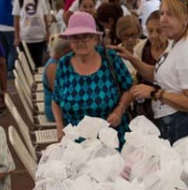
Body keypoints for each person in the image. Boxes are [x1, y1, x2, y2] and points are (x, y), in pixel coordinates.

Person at [118, 0, 188, 143]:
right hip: (170, 122)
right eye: (162, 13)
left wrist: (155, 93)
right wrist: (132, 59)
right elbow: (158, 74)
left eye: (170, 15)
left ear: (186, 18)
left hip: (179, 125)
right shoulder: (176, 42)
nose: (163, 20)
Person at [52, 12, 133, 145]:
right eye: (75, 38)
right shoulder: (64, 64)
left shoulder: (110, 58)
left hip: (112, 139)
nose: (80, 42)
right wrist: (59, 126)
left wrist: (120, 109)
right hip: (75, 142)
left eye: (86, 37)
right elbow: (56, 100)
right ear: (70, 41)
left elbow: (129, 88)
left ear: (95, 38)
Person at [131, 10, 166, 120]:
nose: (154, 35)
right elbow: (134, 76)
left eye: (159, 31)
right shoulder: (140, 48)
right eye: (150, 31)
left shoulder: (173, 50)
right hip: (143, 106)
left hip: (166, 104)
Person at [14, 0, 51, 68]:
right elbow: (16, 20)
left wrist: (48, 32)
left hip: (39, 38)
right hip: (25, 39)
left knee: (39, 64)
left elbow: (45, 17)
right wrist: (16, 37)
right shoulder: (18, 0)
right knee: (27, 65)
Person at [42, 38, 71, 123]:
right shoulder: (53, 66)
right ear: (64, 52)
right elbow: (57, 93)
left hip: (61, 108)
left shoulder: (59, 63)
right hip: (55, 112)